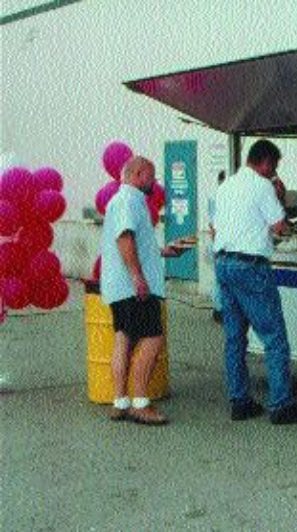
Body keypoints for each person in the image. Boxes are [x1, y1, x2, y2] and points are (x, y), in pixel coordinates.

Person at [213, 139, 297, 424]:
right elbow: (279, 227)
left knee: (235, 338)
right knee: (275, 338)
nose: (275, 172)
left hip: (224, 263)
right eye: (275, 167)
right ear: (267, 162)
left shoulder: (226, 186)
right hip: (250, 266)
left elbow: (219, 225)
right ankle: (281, 405)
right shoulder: (262, 186)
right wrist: (280, 198)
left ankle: (240, 400)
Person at [101, 156, 187, 425]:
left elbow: (133, 241)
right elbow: (125, 238)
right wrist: (138, 277)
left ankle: (120, 402)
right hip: (133, 286)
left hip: (119, 286)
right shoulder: (129, 200)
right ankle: (140, 403)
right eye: (151, 176)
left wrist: (162, 251)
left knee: (123, 339)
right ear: (138, 174)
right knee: (152, 339)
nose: (154, 182)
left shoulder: (120, 200)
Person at [209, 170, 226, 323]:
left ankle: (220, 308)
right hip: (220, 244)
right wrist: (216, 247)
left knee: (220, 278)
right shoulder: (218, 198)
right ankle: (219, 309)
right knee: (220, 280)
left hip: (220, 243)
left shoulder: (217, 197)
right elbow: (213, 226)